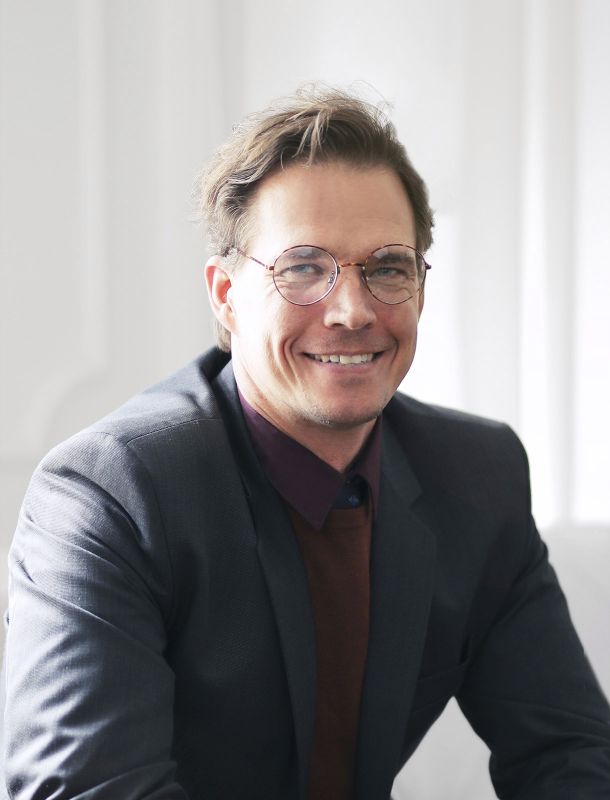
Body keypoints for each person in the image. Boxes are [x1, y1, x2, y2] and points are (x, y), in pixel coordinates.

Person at [3, 86, 610, 800]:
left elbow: (571, 755)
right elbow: (85, 790)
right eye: (302, 268)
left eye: (387, 267)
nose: (352, 310)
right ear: (225, 294)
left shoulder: (478, 474)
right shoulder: (109, 493)